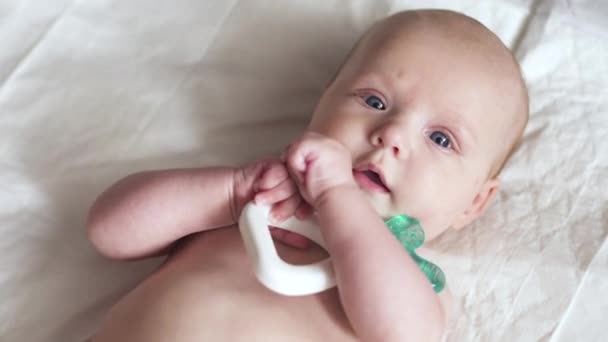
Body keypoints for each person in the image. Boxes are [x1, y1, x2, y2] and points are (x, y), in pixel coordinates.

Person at [87, 9, 528, 342]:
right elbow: (108, 230)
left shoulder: (411, 283)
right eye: (374, 101)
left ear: (474, 203)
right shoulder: (247, 201)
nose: (390, 135)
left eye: (441, 139)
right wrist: (230, 191)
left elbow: (402, 334)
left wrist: (340, 198)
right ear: (323, 102)